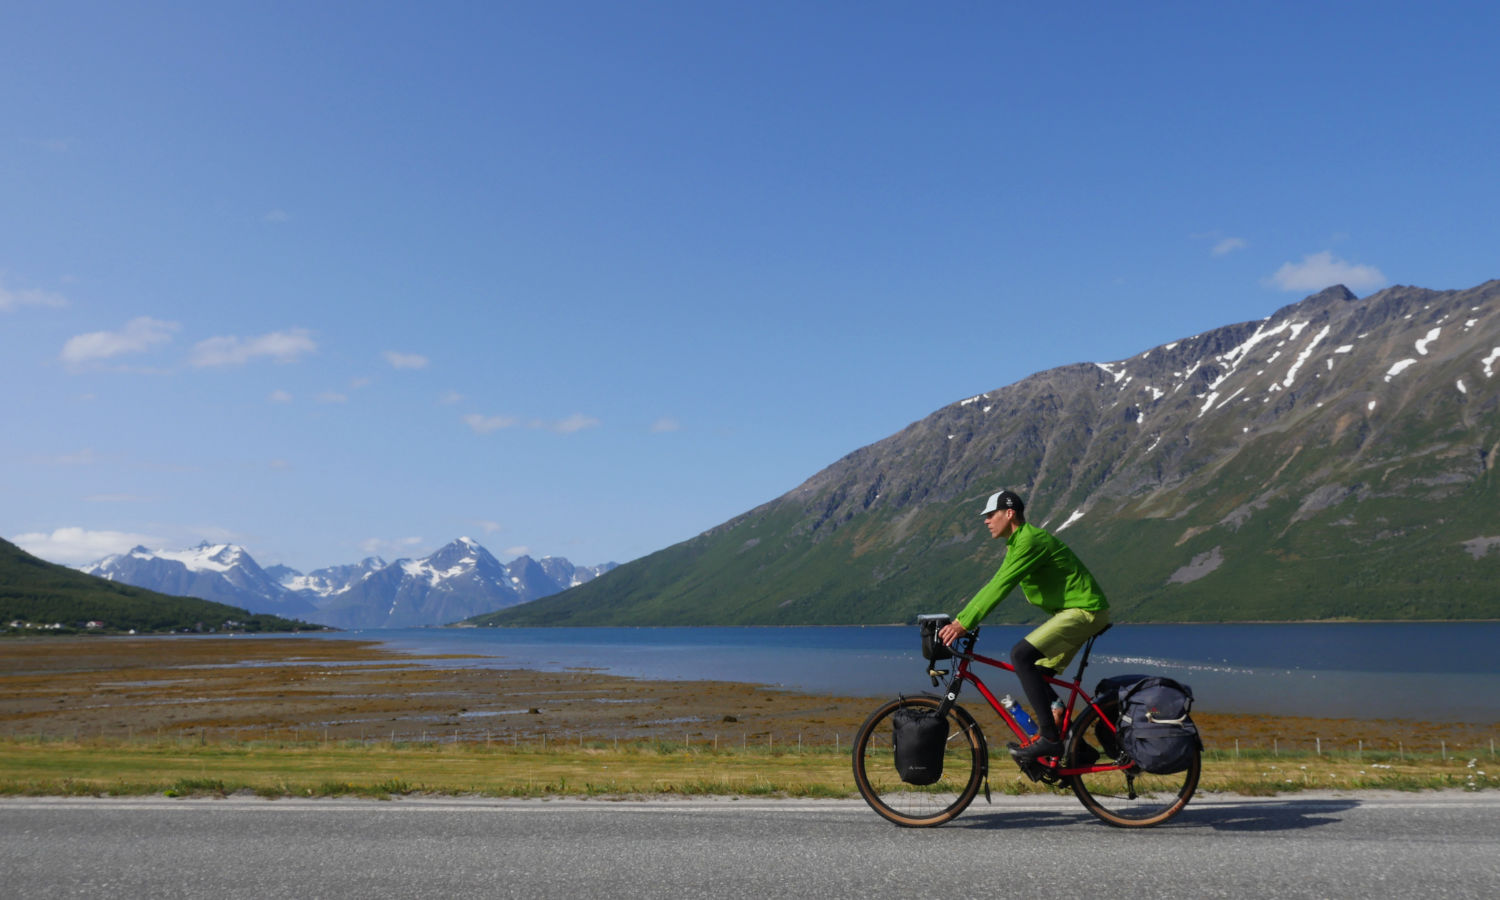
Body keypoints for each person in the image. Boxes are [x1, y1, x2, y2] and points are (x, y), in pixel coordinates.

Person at [937, 489, 1110, 765]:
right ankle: (1077, 746)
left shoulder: (1029, 540)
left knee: (1020, 655)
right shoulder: (1017, 544)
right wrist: (965, 620)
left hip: (1084, 610)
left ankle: (1050, 739)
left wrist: (962, 623)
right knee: (1039, 672)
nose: (985, 521)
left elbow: (999, 586)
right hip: (1077, 611)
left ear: (1009, 513)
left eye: (990, 514)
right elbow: (997, 582)